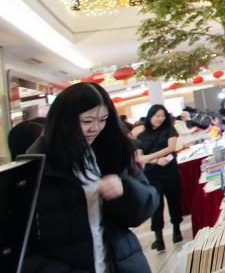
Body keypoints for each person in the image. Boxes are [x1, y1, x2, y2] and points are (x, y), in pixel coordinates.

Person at [24, 82, 158, 273]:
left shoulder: (112, 151)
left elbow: (146, 205)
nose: (96, 128)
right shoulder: (35, 170)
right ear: (64, 121)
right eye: (87, 121)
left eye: (103, 120)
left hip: (122, 264)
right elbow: (21, 249)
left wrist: (125, 190)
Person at [135, 104, 183, 251]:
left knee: (174, 200)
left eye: (162, 116)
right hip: (152, 174)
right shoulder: (141, 136)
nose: (160, 119)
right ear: (150, 116)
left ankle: (177, 231)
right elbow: (139, 158)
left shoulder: (169, 129)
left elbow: (171, 149)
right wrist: (155, 160)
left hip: (170, 170)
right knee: (156, 205)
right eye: (157, 116)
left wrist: (150, 157)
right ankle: (159, 238)